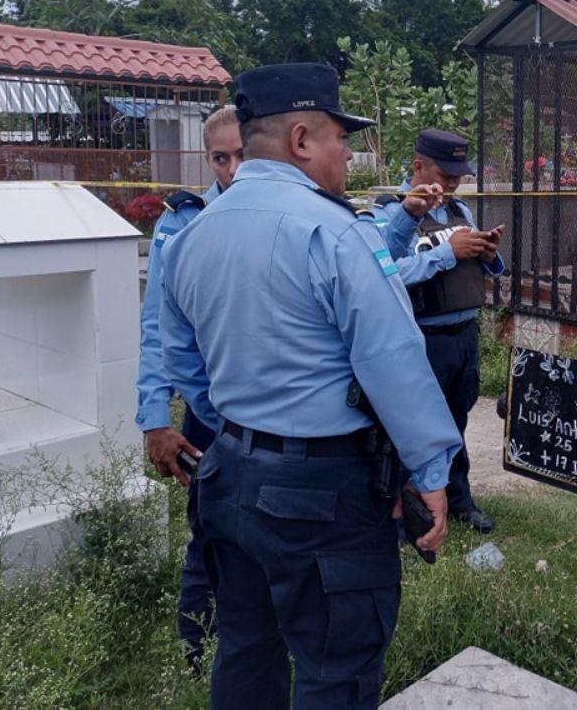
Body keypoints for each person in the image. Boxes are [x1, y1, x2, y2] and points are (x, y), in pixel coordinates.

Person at [159, 62, 462, 709]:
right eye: (338, 139)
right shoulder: (336, 232)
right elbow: (394, 361)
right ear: (301, 139)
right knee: (337, 671)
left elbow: (182, 360)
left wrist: (243, 427)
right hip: (322, 498)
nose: (347, 154)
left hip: (230, 477)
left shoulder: (193, 236)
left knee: (246, 653)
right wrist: (432, 471)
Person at [134, 104, 242, 670]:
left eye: (242, 155)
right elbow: (156, 328)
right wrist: (155, 417)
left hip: (271, 411)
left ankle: (254, 645)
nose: (231, 169)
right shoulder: (182, 222)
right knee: (209, 536)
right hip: (208, 411)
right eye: (220, 158)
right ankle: (196, 654)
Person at [375, 129, 504, 535]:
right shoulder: (389, 213)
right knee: (411, 428)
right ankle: (404, 511)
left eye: (458, 175)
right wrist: (448, 254)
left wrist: (488, 254)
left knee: (456, 423)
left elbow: (475, 265)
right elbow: (384, 270)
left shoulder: (459, 210)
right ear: (418, 167)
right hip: (420, 338)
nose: (452, 183)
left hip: (464, 336)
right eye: (445, 174)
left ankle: (459, 500)